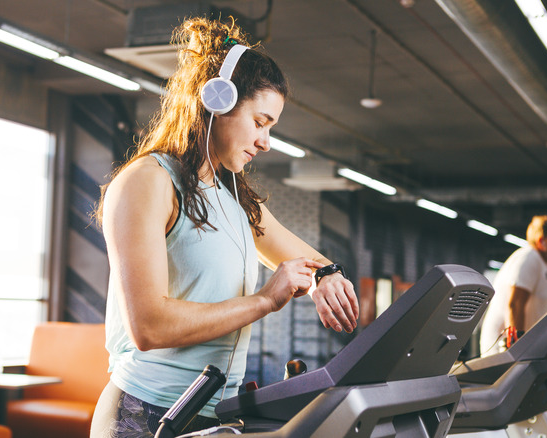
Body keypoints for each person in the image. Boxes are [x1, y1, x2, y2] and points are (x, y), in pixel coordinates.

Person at [89, 17, 359, 438]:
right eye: (260, 121)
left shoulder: (235, 197)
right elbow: (150, 326)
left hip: (216, 412)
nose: (266, 142)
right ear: (218, 101)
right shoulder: (148, 181)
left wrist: (327, 274)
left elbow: (303, 259)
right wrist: (266, 300)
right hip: (143, 414)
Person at [479, 215, 547, 356]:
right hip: (503, 352)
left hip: (533, 351)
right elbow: (515, 304)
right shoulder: (529, 258)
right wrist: (517, 350)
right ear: (541, 241)